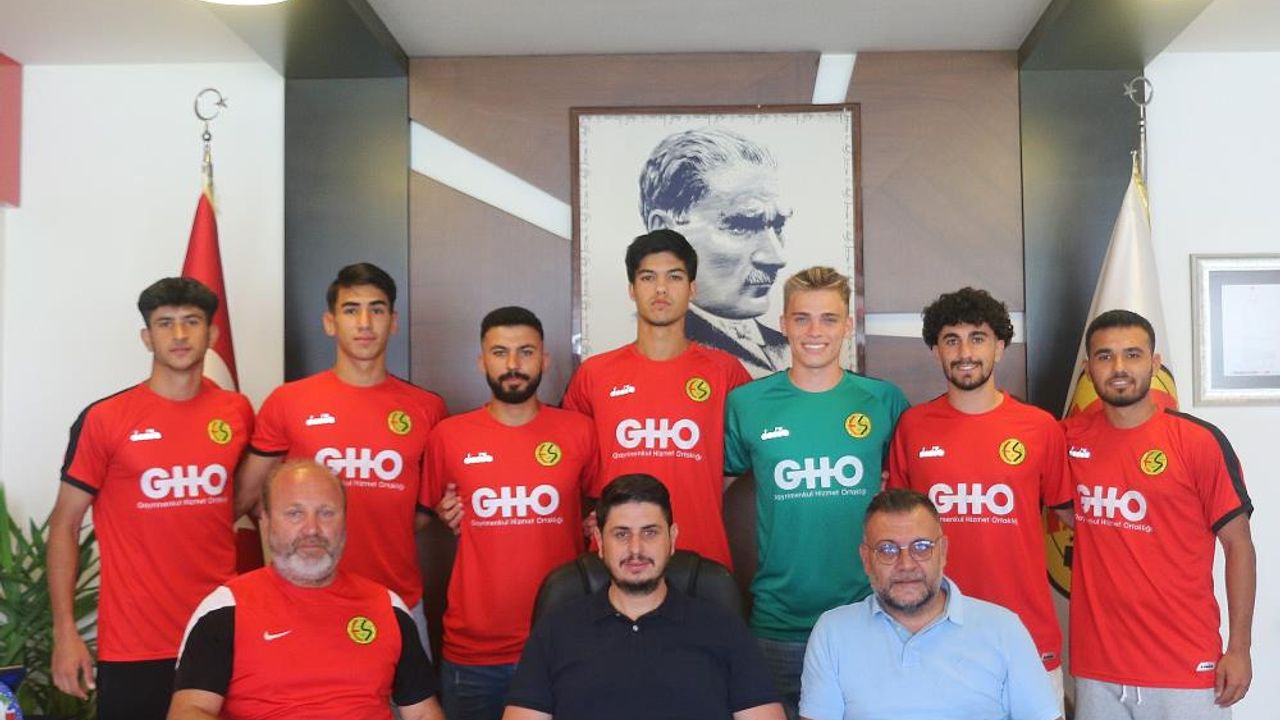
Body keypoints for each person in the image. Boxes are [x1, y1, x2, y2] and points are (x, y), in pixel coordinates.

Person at [47, 277, 254, 720]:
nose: (179, 334)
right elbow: (64, 523)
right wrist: (65, 632)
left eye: (191, 321)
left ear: (212, 334)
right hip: (134, 644)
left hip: (219, 631)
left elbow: (253, 504)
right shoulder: (105, 419)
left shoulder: (236, 411)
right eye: (165, 323)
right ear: (147, 337)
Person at [724, 266, 908, 719]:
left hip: (865, 618)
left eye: (829, 319)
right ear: (783, 324)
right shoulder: (746, 404)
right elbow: (713, 482)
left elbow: (909, 495)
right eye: (802, 318)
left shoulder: (883, 402)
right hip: (776, 623)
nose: (814, 332)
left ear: (847, 326)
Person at [236, 262, 447, 652]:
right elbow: (245, 498)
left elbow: (424, 510)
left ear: (393, 322)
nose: (364, 323)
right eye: (351, 310)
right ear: (330, 323)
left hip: (396, 600)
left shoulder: (427, 408)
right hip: (305, 600)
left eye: (376, 310)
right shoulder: (288, 401)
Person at [1063, 309, 1255, 719]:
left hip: (1185, 666)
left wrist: (1239, 648)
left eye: (1132, 354)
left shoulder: (1197, 442)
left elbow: (1239, 545)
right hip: (1097, 668)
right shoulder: (1068, 440)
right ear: (1088, 368)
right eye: (1105, 356)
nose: (1119, 367)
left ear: (1154, 363)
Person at [886, 287, 1071, 699]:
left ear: (999, 348)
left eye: (978, 338)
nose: (965, 352)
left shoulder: (1040, 428)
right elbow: (893, 531)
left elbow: (1075, 519)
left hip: (1026, 633)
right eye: (951, 340)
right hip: (933, 633)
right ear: (935, 350)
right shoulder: (913, 427)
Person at [423, 306, 597, 720]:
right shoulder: (448, 436)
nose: (513, 364)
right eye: (500, 352)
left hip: (561, 642)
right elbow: (428, 512)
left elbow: (602, 508)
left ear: (545, 359)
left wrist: (593, 523)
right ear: (481, 360)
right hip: (473, 653)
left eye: (526, 352)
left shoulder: (579, 431)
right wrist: (445, 513)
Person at [168, 460, 444, 720]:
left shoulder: (387, 606)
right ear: (266, 521)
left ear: (344, 521)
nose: (312, 529)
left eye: (326, 513)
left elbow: (422, 713)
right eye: (295, 513)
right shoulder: (224, 609)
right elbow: (188, 712)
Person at [502, 474, 785, 720]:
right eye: (621, 534)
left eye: (650, 532)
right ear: (600, 542)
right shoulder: (555, 631)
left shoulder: (725, 629)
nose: (635, 549)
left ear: (672, 539)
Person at [562, 229, 750, 568]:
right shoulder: (594, 374)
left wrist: (704, 488)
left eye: (674, 277)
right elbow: (569, 463)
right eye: (648, 277)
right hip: (620, 562)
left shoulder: (725, 371)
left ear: (692, 288)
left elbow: (751, 451)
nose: (661, 289)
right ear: (632, 289)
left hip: (702, 555)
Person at [800, 488, 1061, 720]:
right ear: (866, 559)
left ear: (943, 551)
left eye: (922, 547)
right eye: (888, 550)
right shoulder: (833, 632)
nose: (906, 564)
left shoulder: (1004, 629)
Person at [641, 127, 792, 375]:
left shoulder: (789, 349)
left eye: (778, 226)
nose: (776, 257)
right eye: (741, 225)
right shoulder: (655, 355)